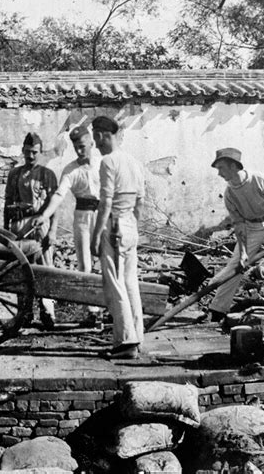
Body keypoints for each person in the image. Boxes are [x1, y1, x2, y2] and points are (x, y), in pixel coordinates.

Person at [208, 148, 264, 320]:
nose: (219, 173)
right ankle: (218, 309)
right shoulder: (229, 193)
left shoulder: (259, 179)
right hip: (250, 229)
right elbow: (239, 225)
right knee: (235, 267)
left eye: (221, 168)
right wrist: (244, 253)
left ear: (234, 166)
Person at [33, 124, 102, 327]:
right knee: (85, 265)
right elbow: (59, 195)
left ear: (91, 142)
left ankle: (114, 310)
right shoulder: (70, 170)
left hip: (104, 215)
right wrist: (45, 215)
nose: (80, 151)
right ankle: (92, 312)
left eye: (82, 146)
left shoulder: (103, 164)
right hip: (82, 218)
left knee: (109, 262)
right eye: (76, 147)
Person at [91, 115, 145, 359]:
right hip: (130, 225)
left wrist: (96, 234)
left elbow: (106, 202)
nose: (95, 143)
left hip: (114, 226)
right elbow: (140, 201)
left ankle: (126, 342)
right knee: (130, 282)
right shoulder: (133, 161)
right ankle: (137, 335)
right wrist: (133, 224)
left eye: (95, 138)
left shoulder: (108, 162)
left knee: (115, 284)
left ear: (102, 135)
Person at [4, 132, 58, 329]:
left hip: (40, 225)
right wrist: (5, 232)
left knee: (45, 266)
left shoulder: (48, 174)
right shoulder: (15, 174)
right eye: (27, 152)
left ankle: (48, 312)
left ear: (40, 152)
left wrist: (52, 232)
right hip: (19, 225)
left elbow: (55, 206)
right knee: (21, 268)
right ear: (22, 151)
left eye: (34, 152)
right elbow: (7, 202)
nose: (31, 156)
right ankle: (24, 312)